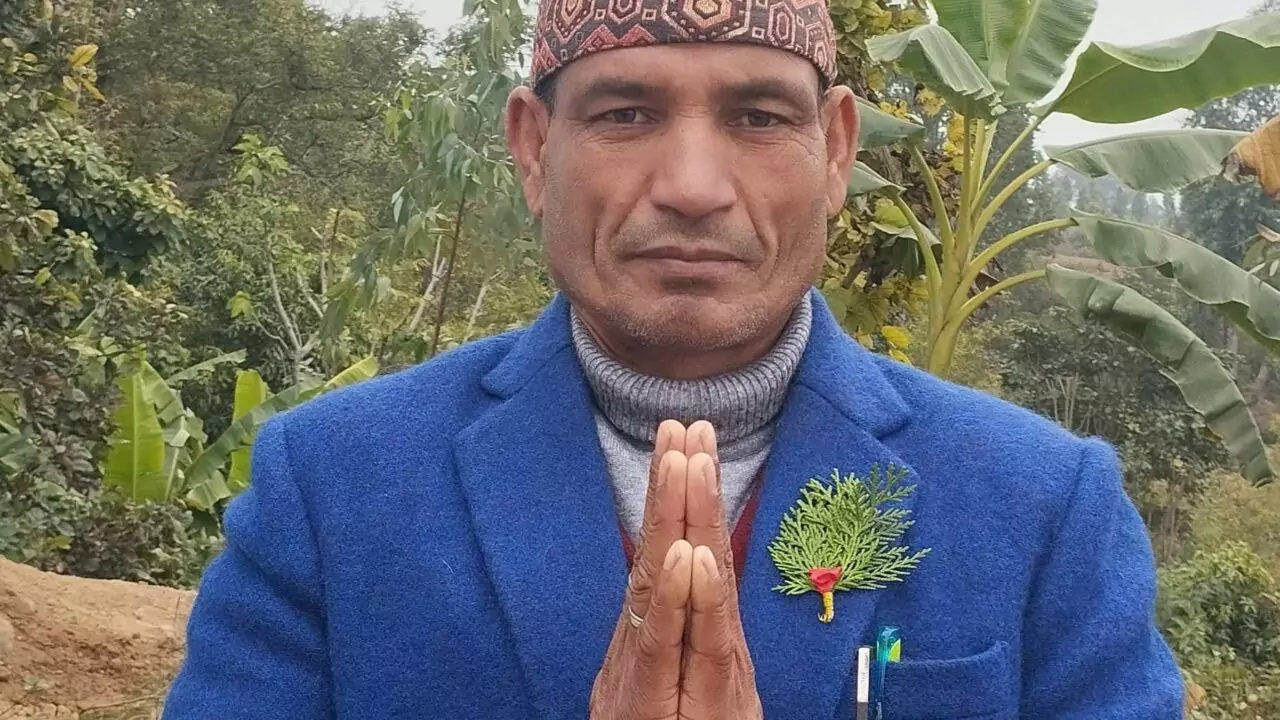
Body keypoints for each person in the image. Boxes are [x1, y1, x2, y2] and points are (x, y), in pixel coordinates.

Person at [162, 1, 1184, 718]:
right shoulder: (332, 488)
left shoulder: (1040, 507)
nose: (693, 186)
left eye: (757, 117)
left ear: (835, 151)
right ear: (533, 148)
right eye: (625, 114)